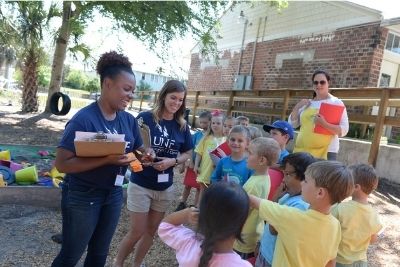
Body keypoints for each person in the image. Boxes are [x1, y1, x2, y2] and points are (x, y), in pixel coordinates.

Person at [51, 51, 146, 267]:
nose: (130, 95)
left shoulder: (129, 120)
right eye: (127, 89)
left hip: (113, 194)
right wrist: (106, 160)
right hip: (83, 196)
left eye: (133, 91)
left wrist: (144, 159)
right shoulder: (83, 120)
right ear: (107, 84)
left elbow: (134, 154)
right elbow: (62, 163)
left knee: (99, 254)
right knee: (71, 254)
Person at [114, 80, 193, 267]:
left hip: (164, 187)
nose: (176, 103)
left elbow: (188, 152)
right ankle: (117, 263)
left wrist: (172, 161)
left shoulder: (182, 125)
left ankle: (137, 264)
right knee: (137, 231)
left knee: (151, 231)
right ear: (163, 96)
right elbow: (130, 147)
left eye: (180, 100)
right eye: (173, 97)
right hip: (141, 183)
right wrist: (142, 157)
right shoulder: (145, 118)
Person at [249, 161, 354, 267]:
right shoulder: (335, 226)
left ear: (320, 193)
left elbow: (254, 201)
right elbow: (331, 262)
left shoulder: (292, 216)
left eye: (306, 181)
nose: (302, 183)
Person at [158, 181, 252, 267]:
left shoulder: (189, 243)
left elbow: (165, 226)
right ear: (242, 224)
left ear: (202, 217)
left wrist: (186, 214)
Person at [256, 152, 316, 267]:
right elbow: (269, 224)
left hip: (273, 260)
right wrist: (261, 244)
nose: (283, 180)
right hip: (265, 252)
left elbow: (274, 230)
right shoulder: (287, 195)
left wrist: (276, 200)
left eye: (288, 175)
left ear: (304, 178)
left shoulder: (300, 206)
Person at [233, 137, 281, 260]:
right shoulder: (264, 177)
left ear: (261, 160)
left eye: (249, 153)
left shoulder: (254, 184)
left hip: (243, 236)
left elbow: (241, 211)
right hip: (253, 231)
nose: (246, 155)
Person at [288, 70, 349, 160]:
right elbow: (293, 124)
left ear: (328, 83)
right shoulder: (307, 103)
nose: (319, 85)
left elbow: (343, 130)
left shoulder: (336, 102)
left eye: (322, 82)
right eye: (315, 82)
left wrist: (324, 124)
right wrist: (297, 107)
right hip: (301, 151)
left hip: (325, 153)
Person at [331, 164, 382, 267]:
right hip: (361, 262)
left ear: (356, 187)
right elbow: (373, 240)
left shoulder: (340, 209)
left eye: (347, 181)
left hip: (340, 261)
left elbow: (329, 232)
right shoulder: (373, 214)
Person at [175, 111, 212, 211]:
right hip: (193, 165)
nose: (203, 125)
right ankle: (182, 202)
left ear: (210, 122)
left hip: (203, 167)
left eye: (205, 122)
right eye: (201, 122)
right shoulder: (196, 135)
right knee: (187, 185)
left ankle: (195, 206)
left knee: (199, 188)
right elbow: (190, 149)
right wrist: (190, 162)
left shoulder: (211, 137)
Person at [194, 110, 225, 204]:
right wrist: (196, 165)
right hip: (205, 169)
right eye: (213, 123)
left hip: (219, 171)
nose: (215, 125)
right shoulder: (206, 138)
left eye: (218, 123)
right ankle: (199, 211)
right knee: (203, 191)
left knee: (215, 194)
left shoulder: (226, 139)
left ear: (223, 124)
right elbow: (199, 152)